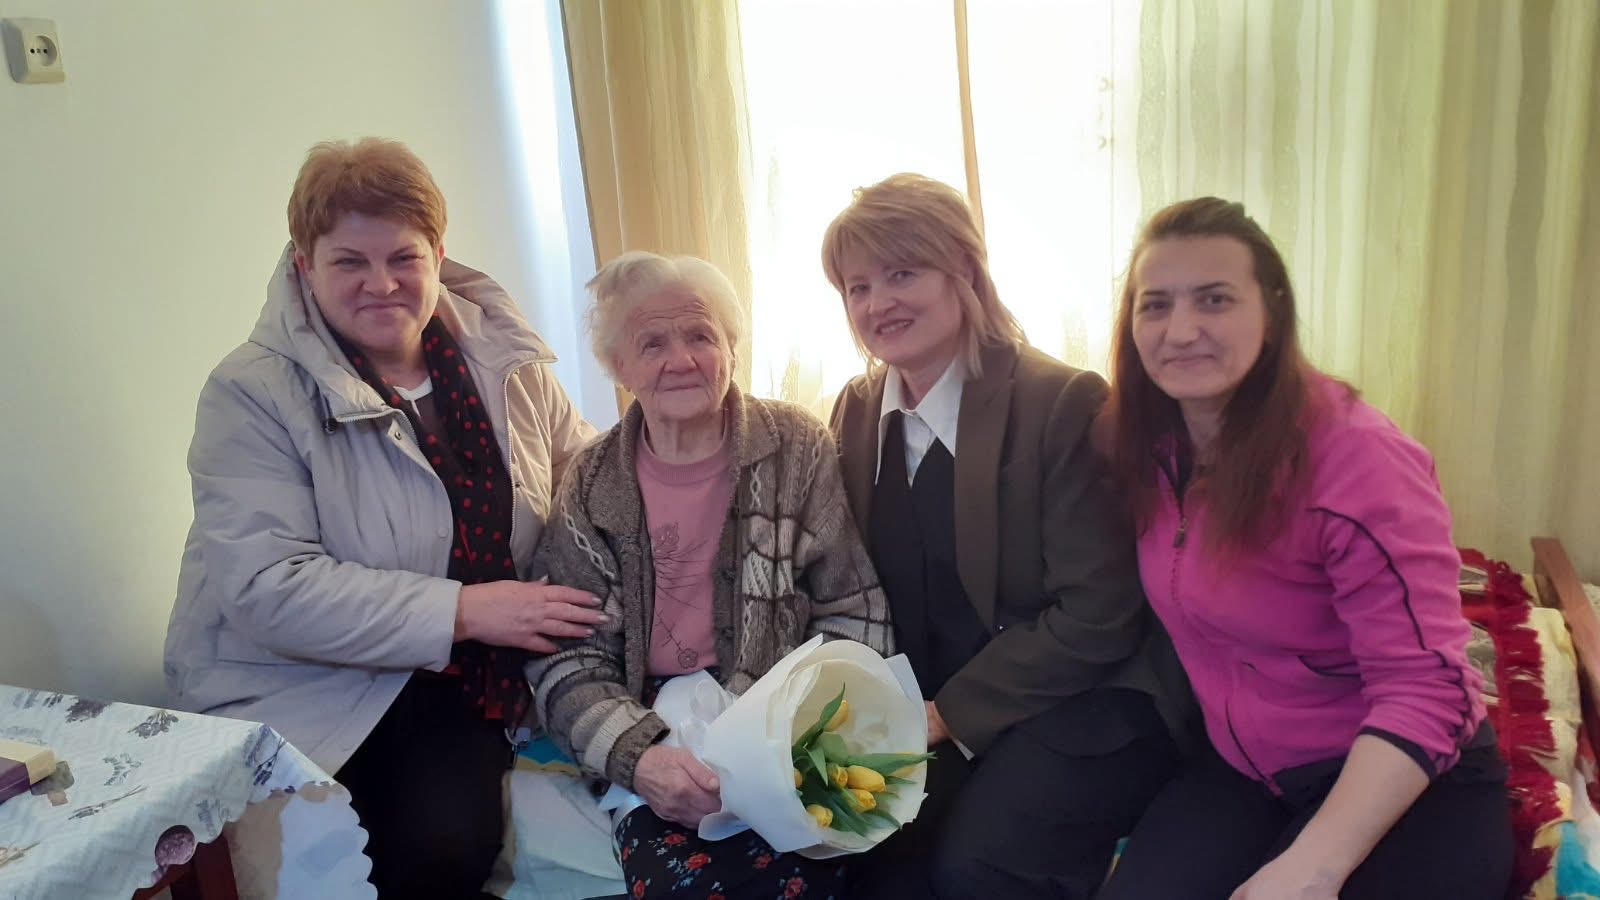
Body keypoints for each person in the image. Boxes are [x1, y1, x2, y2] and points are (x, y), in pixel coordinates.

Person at [163, 138, 602, 898]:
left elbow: (587, 479)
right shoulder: (252, 392)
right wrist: (469, 610)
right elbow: (269, 588)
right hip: (319, 676)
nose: (381, 283)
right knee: (445, 844)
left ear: (438, 254)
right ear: (305, 265)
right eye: (349, 262)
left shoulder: (505, 359)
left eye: (403, 257)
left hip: (475, 653)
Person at [1095, 196, 1513, 899]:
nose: (1181, 330)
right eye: (1155, 305)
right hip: (1243, 769)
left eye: (1215, 299)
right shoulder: (1143, 447)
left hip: (1404, 776)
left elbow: (1429, 687)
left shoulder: (1358, 459)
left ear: (1273, 310)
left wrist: (1314, 866)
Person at [821, 174, 1193, 900]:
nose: (877, 303)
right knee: (866, 855)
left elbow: (1100, 614)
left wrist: (945, 715)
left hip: (1086, 698)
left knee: (979, 867)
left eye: (902, 273)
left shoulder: (1062, 401)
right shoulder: (855, 411)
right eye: (857, 287)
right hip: (938, 704)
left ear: (963, 269)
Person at [527, 250, 893, 899]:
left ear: (731, 347)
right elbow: (567, 658)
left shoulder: (797, 447)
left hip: (787, 719)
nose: (681, 360)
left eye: (701, 335)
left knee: (829, 875)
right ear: (619, 367)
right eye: (652, 343)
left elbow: (853, 611)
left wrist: (802, 736)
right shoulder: (591, 482)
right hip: (654, 727)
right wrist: (640, 759)